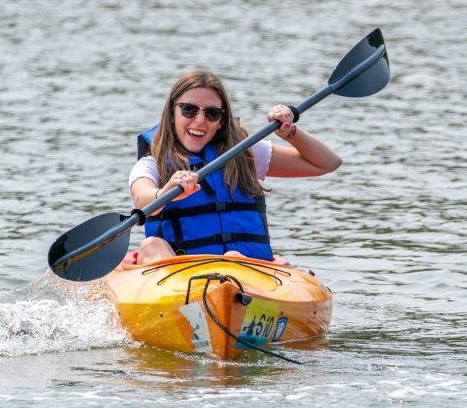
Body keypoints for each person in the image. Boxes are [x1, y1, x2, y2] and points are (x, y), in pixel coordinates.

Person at [128, 70, 342, 265]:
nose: (200, 120)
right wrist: (167, 192)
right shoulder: (152, 163)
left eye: (211, 113)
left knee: (239, 258)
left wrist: (290, 132)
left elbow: (327, 163)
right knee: (151, 246)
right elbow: (143, 199)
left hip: (247, 275)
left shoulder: (243, 154)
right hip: (185, 280)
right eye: (189, 110)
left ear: (221, 120)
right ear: (172, 114)